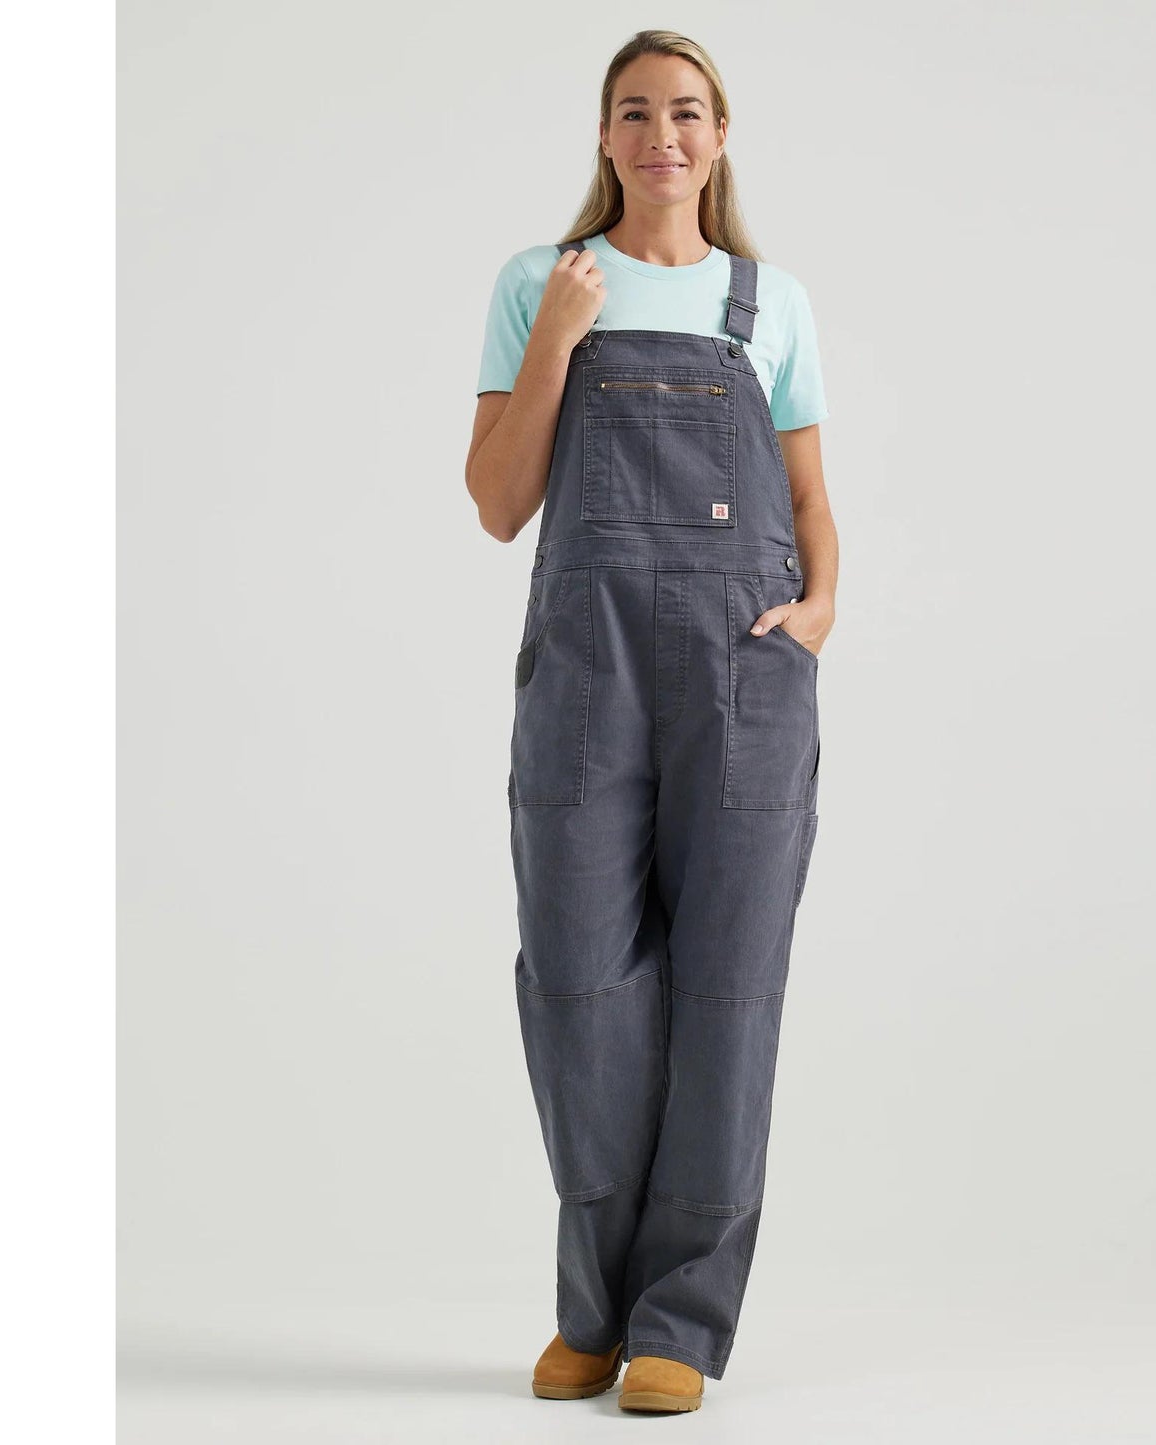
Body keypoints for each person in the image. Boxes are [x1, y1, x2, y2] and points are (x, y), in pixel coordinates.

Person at [466, 28, 838, 1416]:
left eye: (685, 111)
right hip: (585, 670)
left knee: (728, 989)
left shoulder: (769, 301)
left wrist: (821, 610)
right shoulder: (540, 281)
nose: (660, 134)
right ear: (604, 135)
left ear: (719, 134)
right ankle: (594, 1306)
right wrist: (559, 340)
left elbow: (809, 494)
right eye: (634, 111)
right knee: (578, 979)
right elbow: (499, 503)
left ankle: (679, 1317)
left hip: (743, 672)